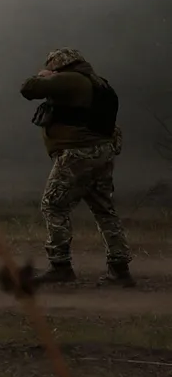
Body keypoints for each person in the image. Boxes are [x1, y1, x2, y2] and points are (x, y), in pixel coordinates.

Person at [19, 47, 133, 287]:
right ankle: (119, 268)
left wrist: (44, 77)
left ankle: (60, 266)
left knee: (53, 205)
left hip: (78, 153)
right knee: (104, 209)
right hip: (101, 153)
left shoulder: (70, 79)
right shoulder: (100, 84)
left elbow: (28, 89)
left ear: (59, 65)